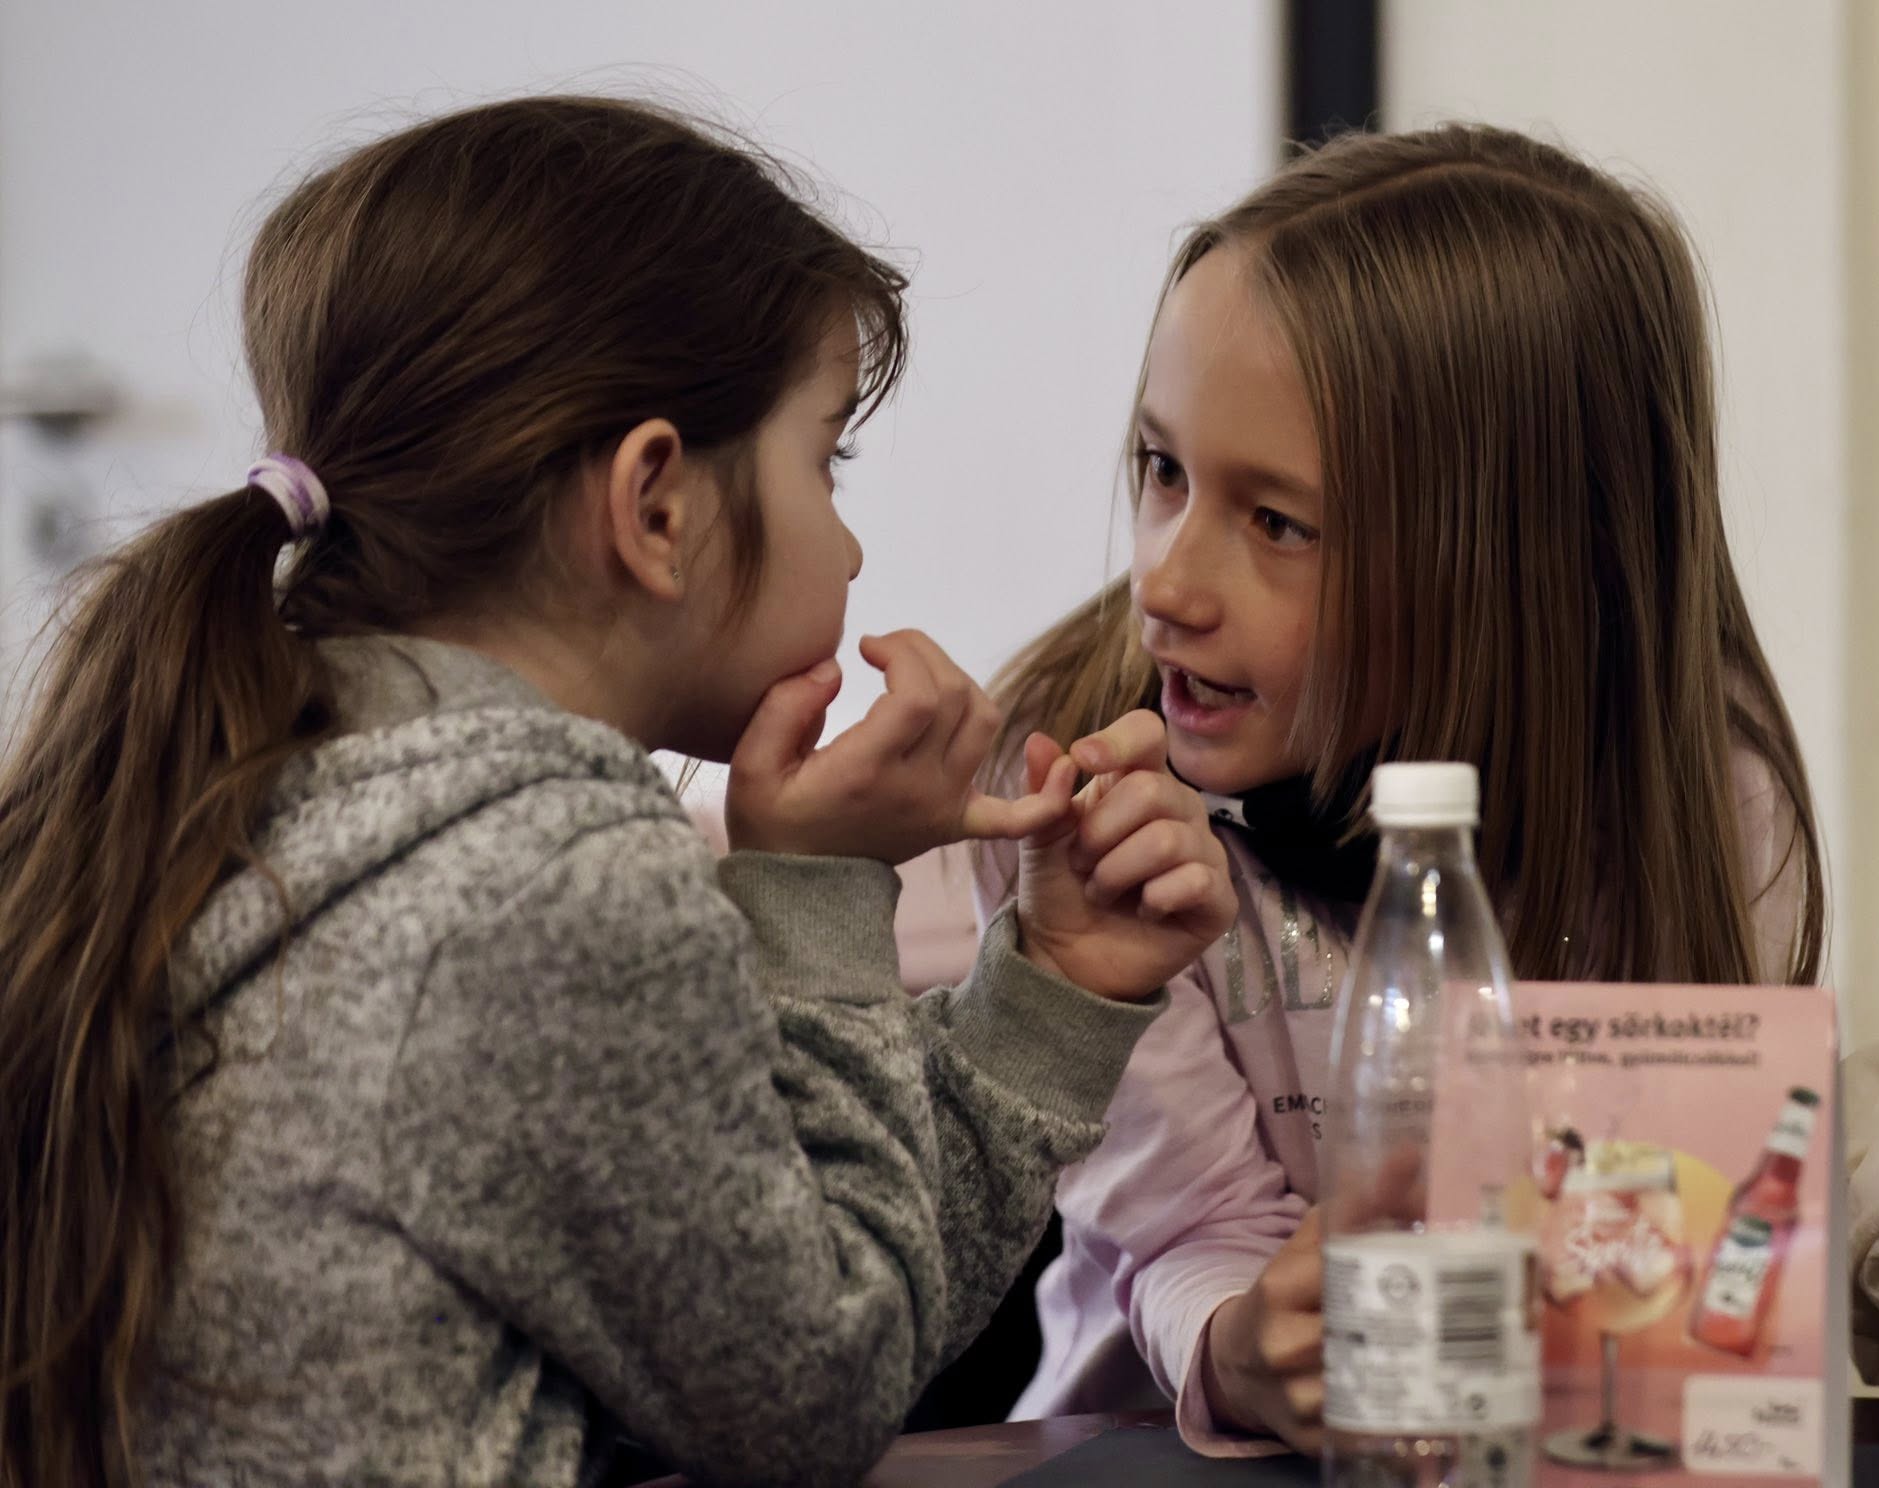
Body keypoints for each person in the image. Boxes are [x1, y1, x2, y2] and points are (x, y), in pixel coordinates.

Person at [0, 97, 1235, 1488]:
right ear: (655, 506)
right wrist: (822, 890)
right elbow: (811, 1393)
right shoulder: (553, 884)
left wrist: (1055, 984)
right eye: (825, 459)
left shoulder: (263, 779)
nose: (847, 546)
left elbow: (776, 1297)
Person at [977, 123, 1826, 1455]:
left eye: (1277, 522)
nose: (1167, 582)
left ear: (1515, 559)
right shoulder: (1093, 793)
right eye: (1162, 471)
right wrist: (1248, 1350)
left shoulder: (1708, 805)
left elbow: (1677, 1246)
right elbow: (1183, 1231)